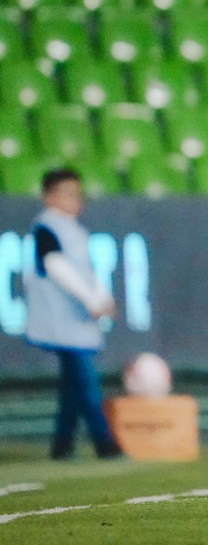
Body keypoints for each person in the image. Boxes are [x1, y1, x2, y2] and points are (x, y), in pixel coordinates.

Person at [23, 167, 122, 460]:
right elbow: (57, 268)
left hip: (75, 320)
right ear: (48, 196)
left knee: (72, 388)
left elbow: (87, 271)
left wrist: (100, 297)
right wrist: (93, 300)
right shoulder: (47, 227)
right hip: (61, 320)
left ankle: (62, 445)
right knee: (86, 384)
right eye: (68, 193)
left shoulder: (74, 229)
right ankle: (105, 443)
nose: (76, 200)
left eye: (78, 194)